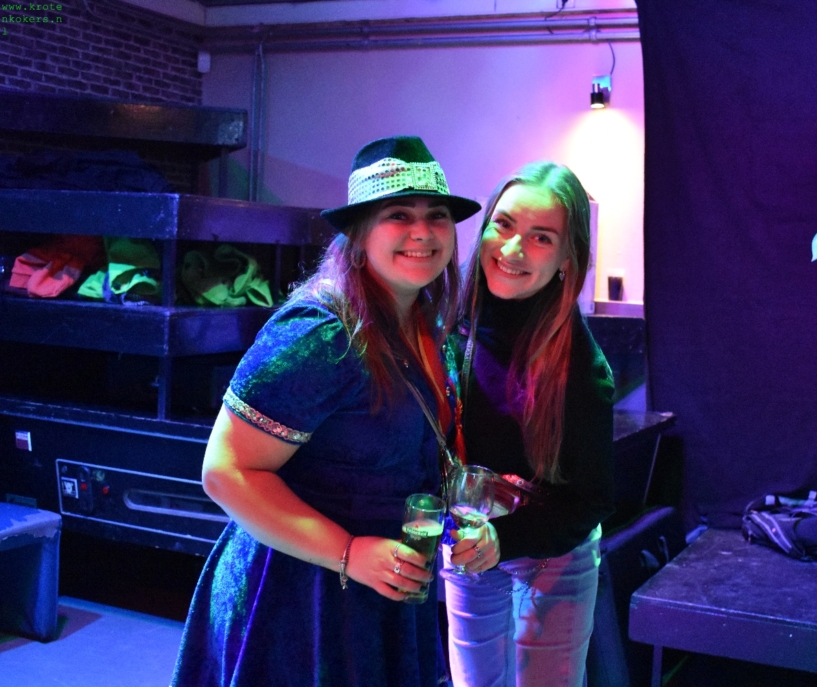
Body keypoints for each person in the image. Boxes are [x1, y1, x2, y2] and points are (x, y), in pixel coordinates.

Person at [170, 135, 480, 687]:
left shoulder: (428, 325)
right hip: (298, 599)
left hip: (386, 586)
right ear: (357, 236)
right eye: (398, 215)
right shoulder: (321, 333)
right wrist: (348, 552)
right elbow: (225, 471)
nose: (423, 232)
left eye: (437, 215)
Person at [441, 161, 616, 687]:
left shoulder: (581, 366)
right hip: (469, 541)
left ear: (567, 259)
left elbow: (590, 500)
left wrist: (505, 538)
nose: (513, 248)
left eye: (541, 237)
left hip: (553, 553)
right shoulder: (447, 324)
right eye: (504, 224)